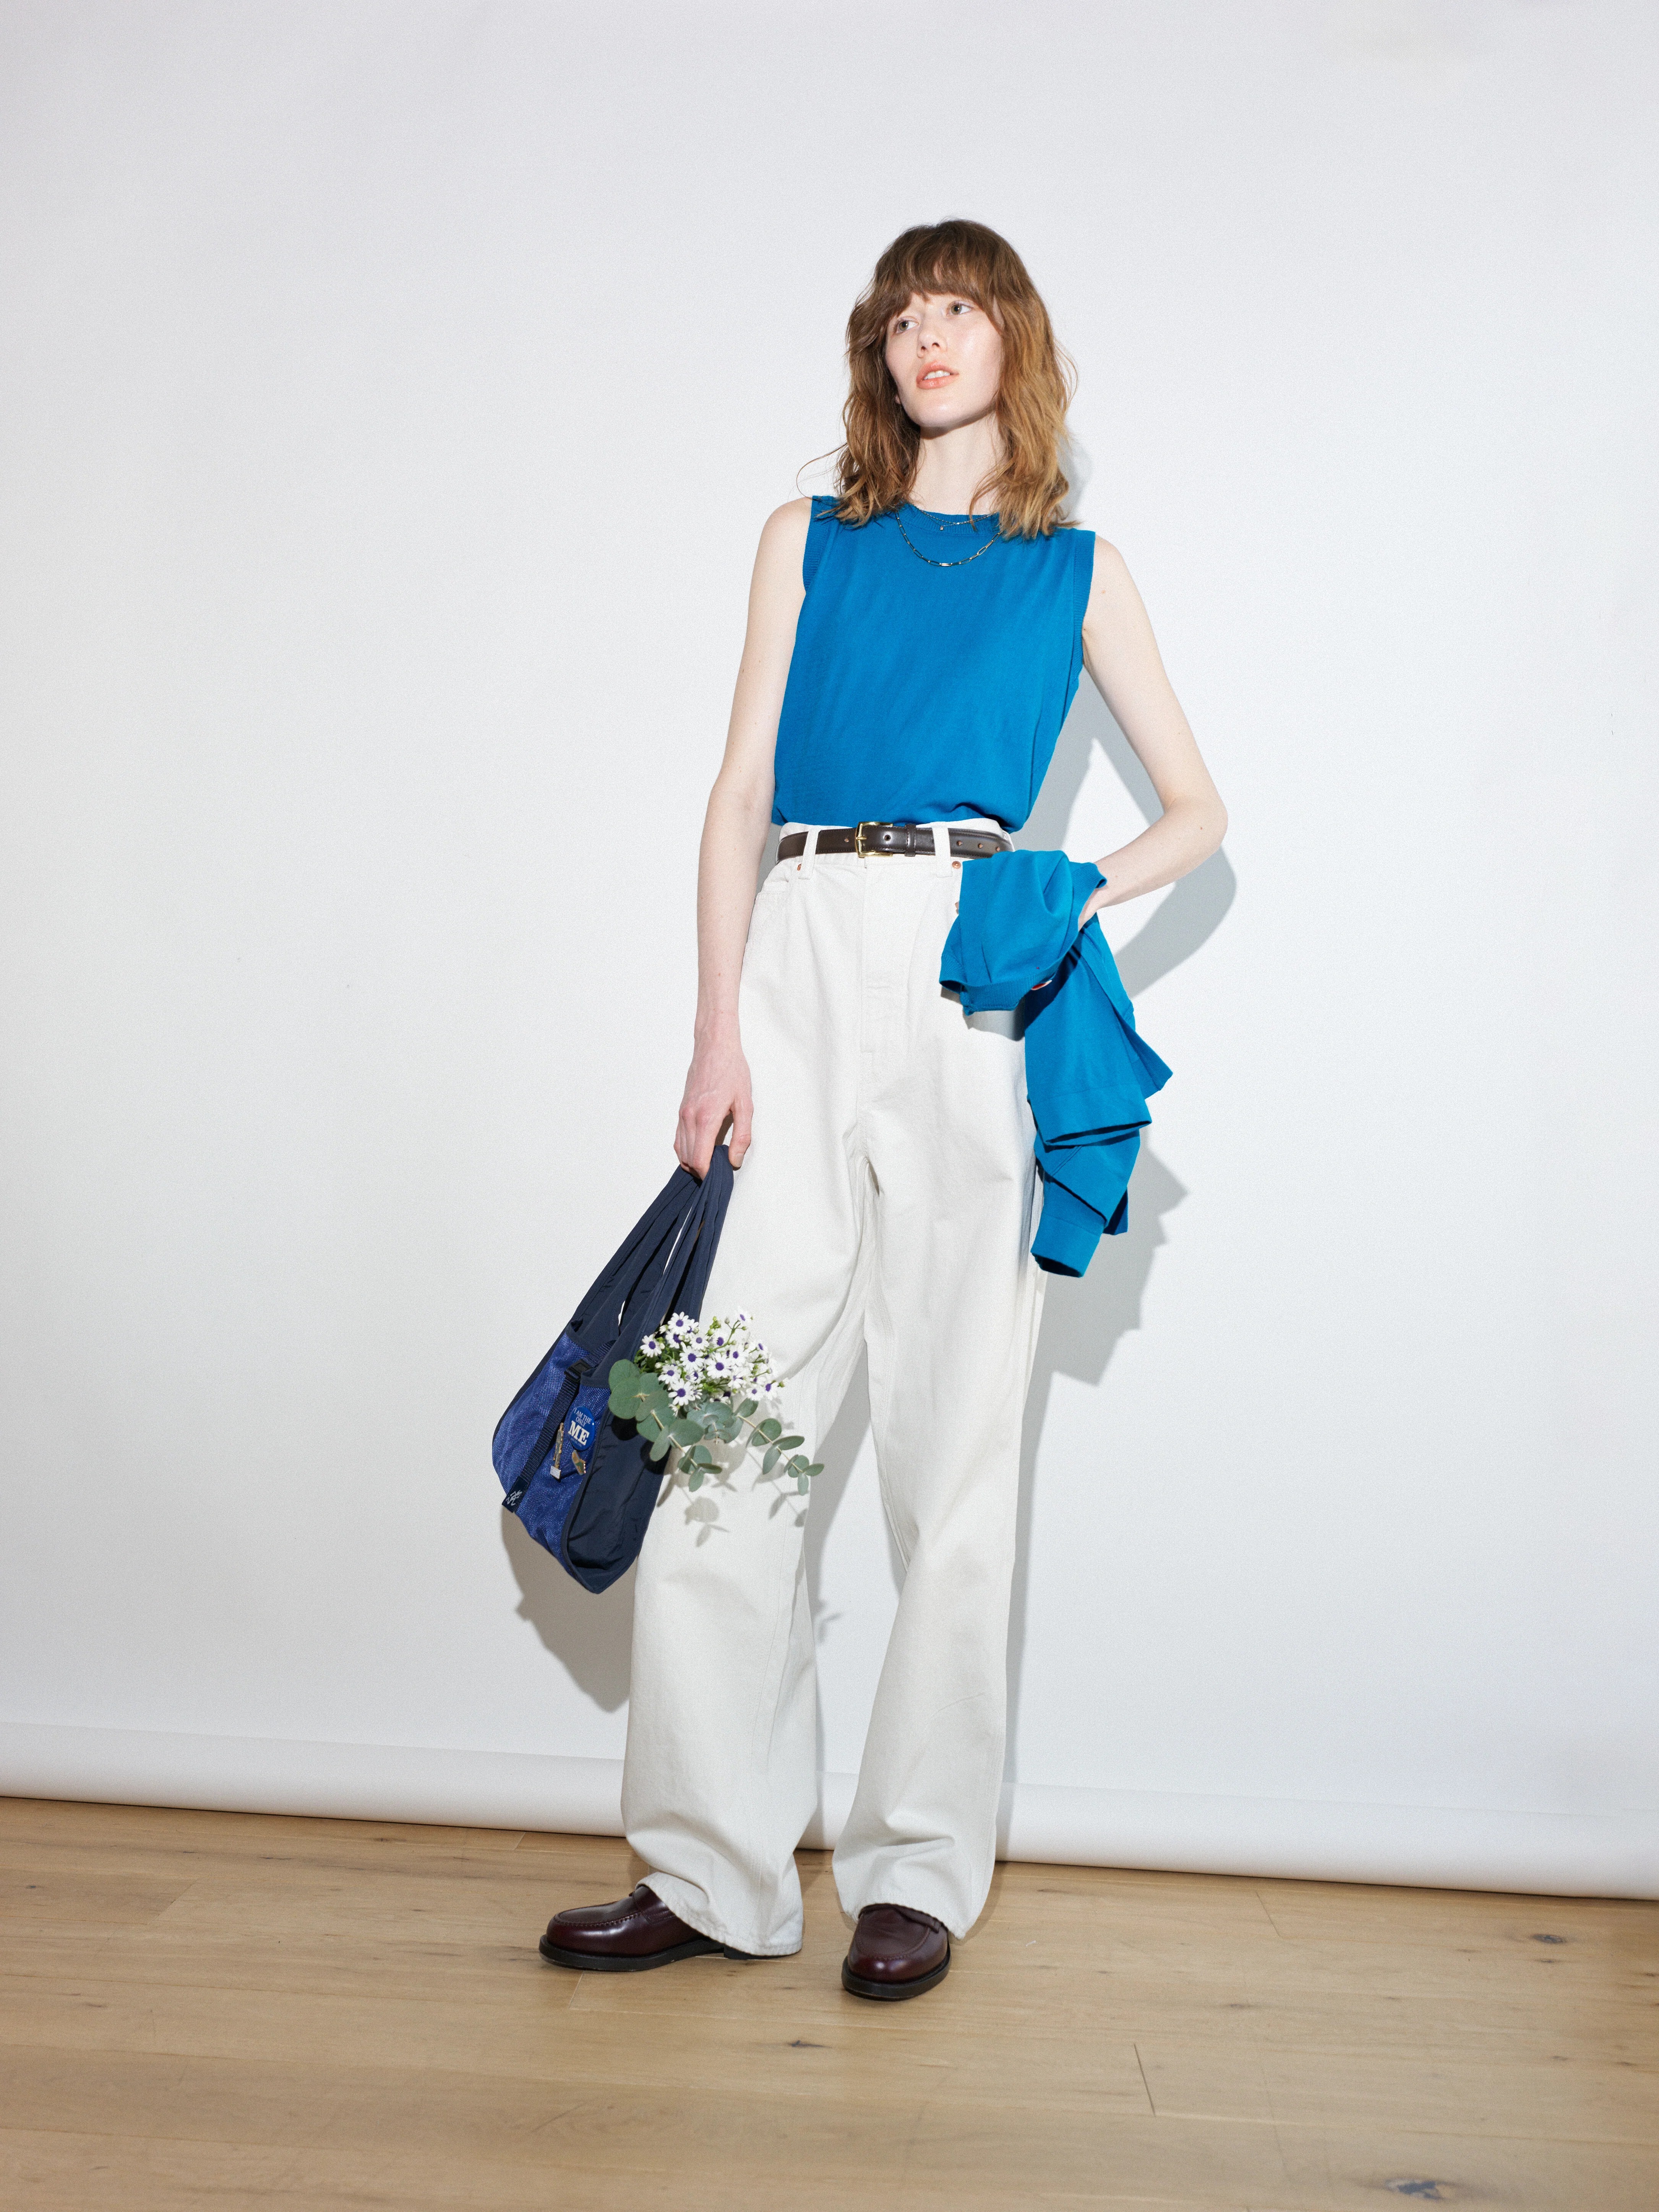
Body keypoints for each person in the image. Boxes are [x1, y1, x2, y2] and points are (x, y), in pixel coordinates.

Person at [540, 219, 1227, 2000]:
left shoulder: (1077, 569)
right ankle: (710, 1866)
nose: (929, 340)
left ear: (1014, 343)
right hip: (798, 955)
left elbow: (1200, 809)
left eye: (960, 312)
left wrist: (1066, 892)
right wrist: (717, 1034)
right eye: (904, 316)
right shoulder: (807, 538)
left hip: (968, 981)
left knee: (955, 1443)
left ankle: (918, 1864)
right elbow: (736, 794)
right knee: (719, 1420)